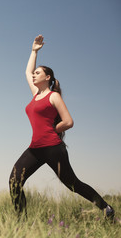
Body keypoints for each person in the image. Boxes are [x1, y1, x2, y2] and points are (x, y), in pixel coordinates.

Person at [9, 35, 115, 219]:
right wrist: (34, 51)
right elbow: (27, 72)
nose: (34, 75)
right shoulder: (35, 94)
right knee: (14, 180)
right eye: (35, 73)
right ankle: (21, 221)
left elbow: (68, 122)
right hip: (35, 148)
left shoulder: (53, 97)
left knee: (72, 184)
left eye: (38, 73)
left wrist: (52, 130)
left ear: (47, 77)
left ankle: (106, 209)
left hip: (52, 148)